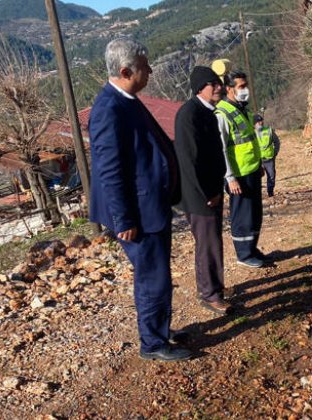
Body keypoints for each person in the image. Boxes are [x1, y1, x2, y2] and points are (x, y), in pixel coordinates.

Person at [89, 38, 192, 361]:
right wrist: (124, 220)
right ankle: (153, 343)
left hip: (152, 206)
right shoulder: (109, 109)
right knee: (152, 277)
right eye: (144, 67)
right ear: (125, 71)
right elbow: (110, 172)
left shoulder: (127, 99)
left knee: (158, 274)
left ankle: (159, 328)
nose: (149, 71)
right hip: (138, 214)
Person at [174, 66, 233, 316]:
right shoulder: (189, 114)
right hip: (200, 195)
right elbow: (189, 160)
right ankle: (209, 294)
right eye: (214, 84)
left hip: (212, 191)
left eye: (219, 83)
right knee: (207, 243)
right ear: (200, 88)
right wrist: (206, 194)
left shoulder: (207, 112)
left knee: (213, 241)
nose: (219, 87)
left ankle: (215, 287)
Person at [215, 71, 266, 268]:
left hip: (252, 170)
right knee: (242, 215)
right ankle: (243, 254)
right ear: (229, 89)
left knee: (254, 213)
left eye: (245, 86)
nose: (245, 90)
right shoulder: (223, 113)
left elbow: (250, 140)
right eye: (241, 87)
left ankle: (252, 248)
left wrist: (259, 163)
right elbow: (221, 149)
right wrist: (230, 177)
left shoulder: (242, 109)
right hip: (238, 175)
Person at [255, 114, 281, 198]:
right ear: (254, 124)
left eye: (261, 120)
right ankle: (257, 194)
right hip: (257, 160)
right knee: (256, 178)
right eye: (258, 121)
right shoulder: (251, 133)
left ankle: (270, 193)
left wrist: (275, 152)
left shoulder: (269, 130)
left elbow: (277, 142)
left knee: (271, 176)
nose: (261, 123)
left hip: (269, 158)